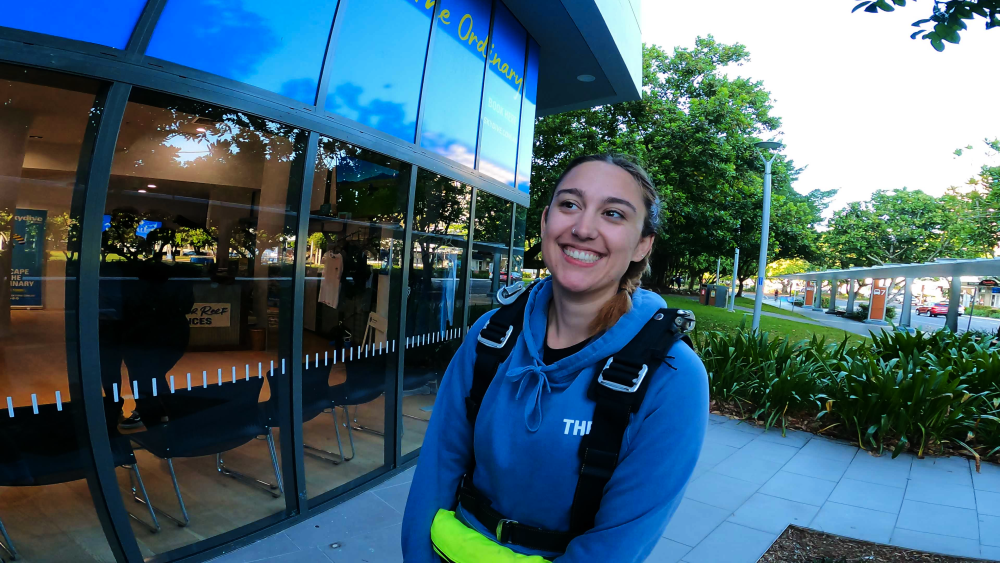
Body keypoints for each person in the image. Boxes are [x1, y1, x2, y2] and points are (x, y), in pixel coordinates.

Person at [401, 154, 709, 562]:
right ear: (546, 221)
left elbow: (614, 547)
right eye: (569, 205)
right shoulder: (491, 335)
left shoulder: (672, 378)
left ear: (642, 244)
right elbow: (438, 467)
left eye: (613, 214)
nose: (583, 229)